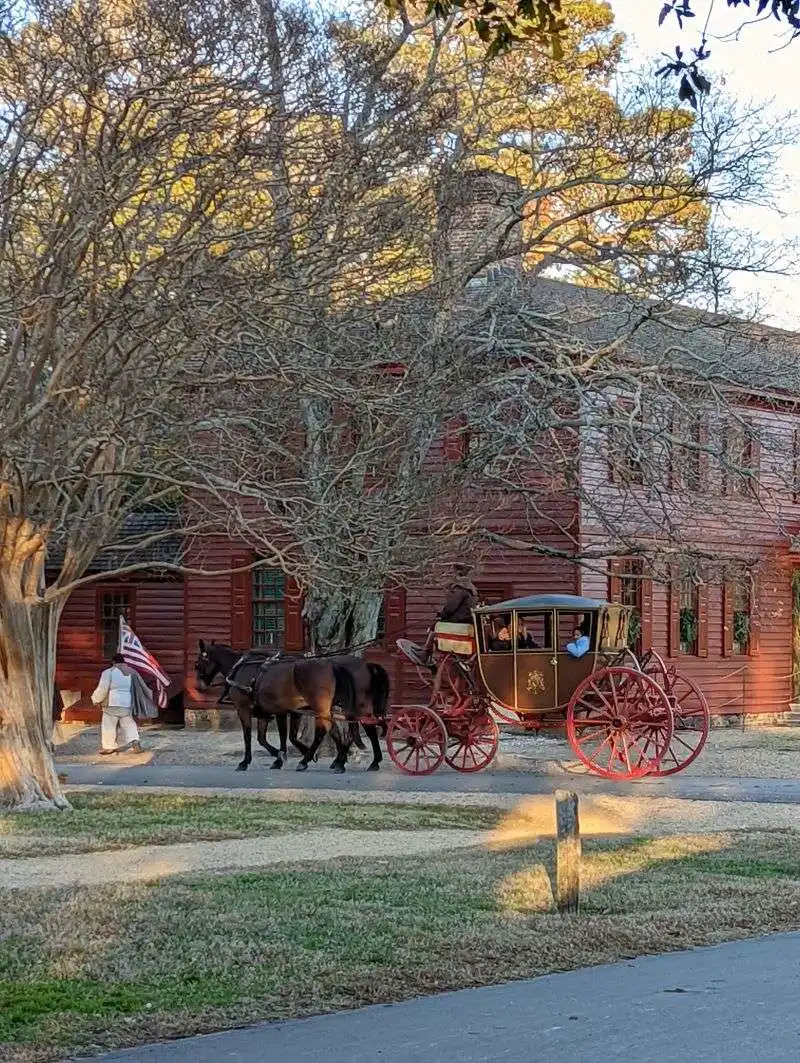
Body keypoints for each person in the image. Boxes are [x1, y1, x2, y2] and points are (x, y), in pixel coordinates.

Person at [405, 564, 478, 666]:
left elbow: (451, 607)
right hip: (465, 619)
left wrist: (442, 615)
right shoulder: (471, 590)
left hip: (459, 621)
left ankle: (426, 652)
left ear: (457, 574)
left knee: (434, 626)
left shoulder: (460, 590)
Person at [91, 653, 148, 754]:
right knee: (129, 723)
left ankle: (109, 746)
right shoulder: (132, 672)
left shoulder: (108, 672)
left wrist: (95, 699)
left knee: (109, 724)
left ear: (113, 662)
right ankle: (135, 741)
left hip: (112, 702)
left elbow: (103, 688)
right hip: (127, 702)